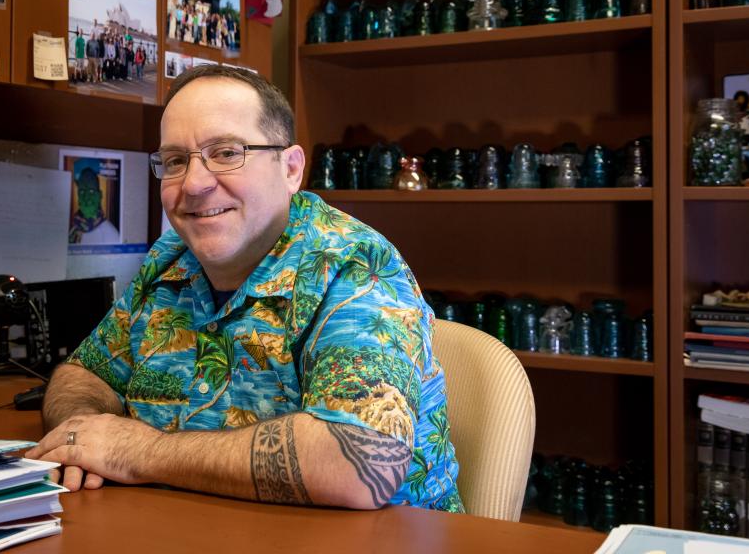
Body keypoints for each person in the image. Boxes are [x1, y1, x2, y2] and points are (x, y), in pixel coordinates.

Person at [26, 66, 463, 513]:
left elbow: (360, 463)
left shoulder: (353, 266)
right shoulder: (171, 257)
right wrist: (79, 436)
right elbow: (85, 373)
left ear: (291, 169)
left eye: (227, 153)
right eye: (176, 161)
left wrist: (137, 451)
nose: (194, 184)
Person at [68, 166, 118, 245]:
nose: (86, 197)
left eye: (91, 191)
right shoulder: (72, 229)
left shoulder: (111, 235)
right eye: (82, 192)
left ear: (100, 195)